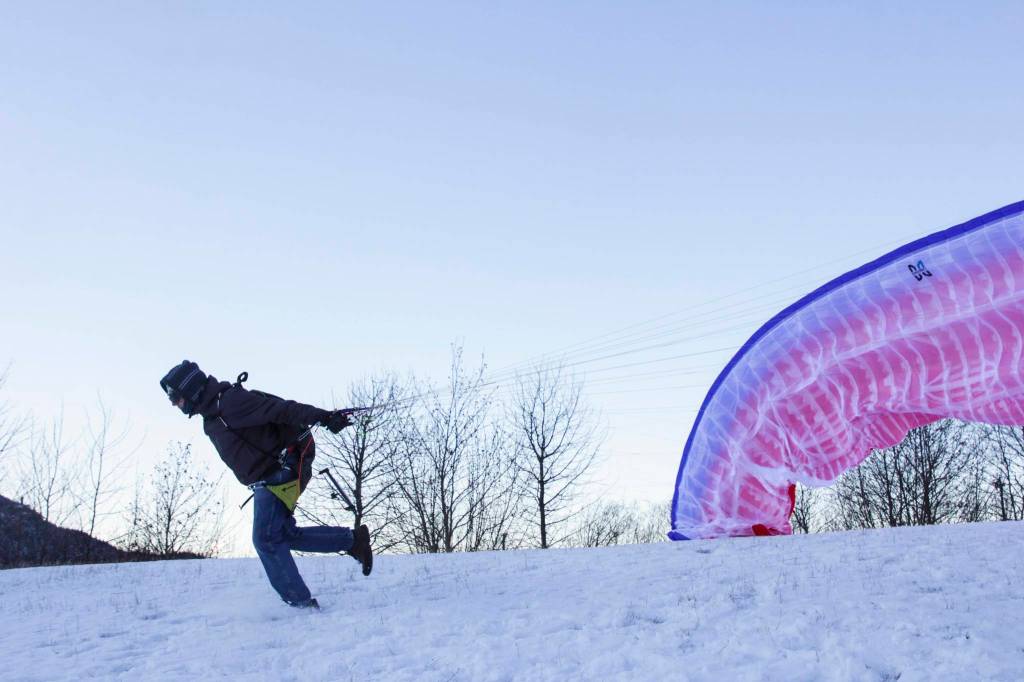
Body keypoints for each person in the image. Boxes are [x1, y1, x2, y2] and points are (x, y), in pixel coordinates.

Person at [159, 360, 372, 610]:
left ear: (191, 389)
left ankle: (300, 604)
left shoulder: (230, 402)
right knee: (283, 534)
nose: (175, 403)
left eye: (176, 397)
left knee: (266, 539)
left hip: (282, 469)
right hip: (265, 478)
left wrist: (324, 417)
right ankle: (353, 541)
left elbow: (281, 410)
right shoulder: (212, 415)